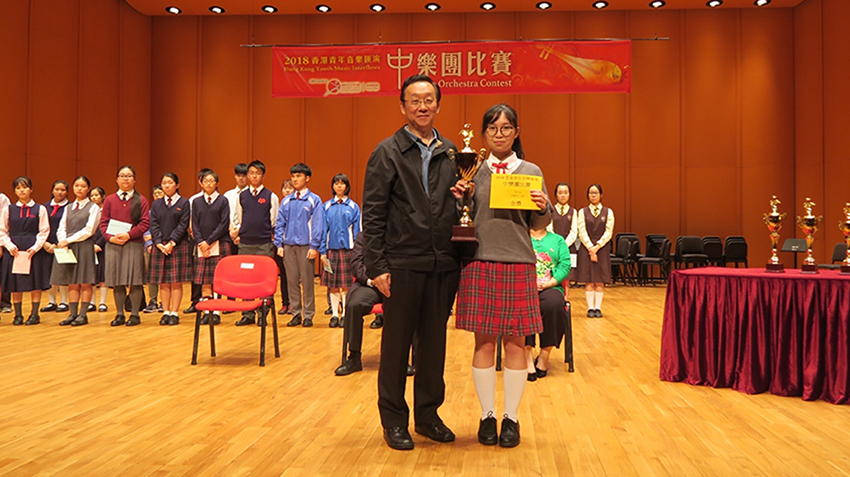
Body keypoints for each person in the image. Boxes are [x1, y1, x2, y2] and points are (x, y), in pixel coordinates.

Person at [362, 74, 460, 451]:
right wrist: (376, 266)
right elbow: (373, 212)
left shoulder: (451, 152)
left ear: (438, 104)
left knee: (434, 346)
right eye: (415, 100)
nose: (422, 106)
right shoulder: (386, 152)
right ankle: (393, 420)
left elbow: (454, 207)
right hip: (401, 262)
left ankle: (428, 416)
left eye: (429, 99)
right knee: (396, 346)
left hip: (441, 262)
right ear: (402, 106)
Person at [451, 103, 550, 448]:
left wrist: (543, 206)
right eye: (493, 128)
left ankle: (511, 418)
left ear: (516, 132)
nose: (499, 134)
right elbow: (461, 216)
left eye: (506, 128)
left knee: (515, 344)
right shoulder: (472, 170)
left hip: (519, 261)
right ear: (483, 134)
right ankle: (487, 415)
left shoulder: (531, 170)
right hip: (479, 260)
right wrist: (459, 198)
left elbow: (539, 223)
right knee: (483, 343)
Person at [99, 165, 150, 327]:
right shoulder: (109, 200)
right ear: (117, 180)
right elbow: (103, 223)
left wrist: (129, 234)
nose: (125, 179)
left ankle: (134, 314)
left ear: (134, 180)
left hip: (133, 244)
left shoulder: (141, 200)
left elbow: (145, 223)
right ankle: (119, 313)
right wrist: (110, 238)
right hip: (114, 245)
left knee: (135, 280)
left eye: (129, 176)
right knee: (117, 280)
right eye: (122, 176)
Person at [275, 163, 323, 328]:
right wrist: (279, 244)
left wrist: (314, 246)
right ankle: (295, 313)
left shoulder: (314, 200)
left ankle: (308, 314)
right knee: (291, 281)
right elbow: (280, 223)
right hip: (288, 246)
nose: (295, 179)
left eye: (299, 176)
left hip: (306, 246)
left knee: (308, 282)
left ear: (307, 178)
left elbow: (317, 224)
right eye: (293, 176)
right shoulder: (286, 201)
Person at [233, 160, 279, 326]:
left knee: (263, 279)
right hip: (246, 243)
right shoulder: (242, 196)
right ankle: (248, 314)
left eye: (258, 173)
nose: (254, 176)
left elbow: (273, 220)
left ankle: (263, 313)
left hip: (263, 244)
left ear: (263, 176)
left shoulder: (271, 196)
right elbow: (240, 218)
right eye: (251, 173)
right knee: (246, 279)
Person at [0, 177, 51, 325]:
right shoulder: (8, 209)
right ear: (15, 191)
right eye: (18, 188)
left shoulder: (40, 209)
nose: (21, 190)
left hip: (33, 249)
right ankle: (18, 315)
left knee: (36, 282)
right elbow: (2, 230)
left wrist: (35, 247)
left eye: (24, 187)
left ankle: (34, 314)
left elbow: (44, 230)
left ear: (31, 189)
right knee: (15, 283)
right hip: (14, 249)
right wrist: (9, 245)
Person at [53, 176, 100, 326]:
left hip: (84, 246)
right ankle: (73, 314)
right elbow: (61, 227)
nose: (79, 188)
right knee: (72, 281)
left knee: (85, 281)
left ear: (88, 189)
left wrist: (69, 240)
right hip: (69, 247)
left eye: (83, 186)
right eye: (76, 185)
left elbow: (89, 230)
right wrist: (62, 241)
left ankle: (83, 314)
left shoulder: (93, 207)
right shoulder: (68, 207)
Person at [525, 223, 571, 380]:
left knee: (554, 305)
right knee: (524, 305)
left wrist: (551, 282)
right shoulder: (520, 237)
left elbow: (565, 264)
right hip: (524, 286)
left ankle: (545, 354)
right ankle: (527, 354)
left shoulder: (558, 240)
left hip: (551, 286)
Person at [149, 173, 192, 326]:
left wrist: (172, 242)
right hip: (160, 246)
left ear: (177, 185)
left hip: (177, 245)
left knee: (176, 281)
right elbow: (154, 224)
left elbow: (183, 225)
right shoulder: (156, 204)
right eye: (164, 183)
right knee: (163, 282)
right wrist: (158, 242)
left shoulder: (184, 202)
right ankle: (165, 312)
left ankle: (174, 312)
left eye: (170, 182)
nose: (166, 185)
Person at [191, 170, 232, 325]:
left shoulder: (223, 201)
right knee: (205, 280)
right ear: (201, 183)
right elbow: (195, 224)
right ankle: (207, 311)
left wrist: (209, 241)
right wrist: (201, 242)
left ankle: (216, 312)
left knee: (217, 280)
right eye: (205, 181)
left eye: (211, 181)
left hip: (219, 243)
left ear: (217, 183)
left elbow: (224, 224)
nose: (208, 184)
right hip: (202, 245)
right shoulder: (196, 202)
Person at [320, 173, 360, 328]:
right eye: (336, 183)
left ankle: (345, 315)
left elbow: (357, 231)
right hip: (331, 251)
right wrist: (322, 251)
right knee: (334, 285)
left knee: (347, 285)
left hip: (348, 250)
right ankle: (335, 315)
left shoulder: (353, 207)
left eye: (342, 183)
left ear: (347, 186)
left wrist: (357, 251)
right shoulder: (326, 206)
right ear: (333, 186)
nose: (339, 186)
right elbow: (323, 230)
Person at [577, 183, 614, 318]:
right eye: (591, 193)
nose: (593, 195)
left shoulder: (608, 212)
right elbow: (581, 231)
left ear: (601, 195)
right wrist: (590, 248)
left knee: (599, 279)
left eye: (596, 193)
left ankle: (598, 308)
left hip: (602, 249)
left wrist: (597, 246)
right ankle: (590, 308)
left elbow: (608, 232)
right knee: (588, 279)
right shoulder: (582, 212)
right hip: (586, 248)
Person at [40, 179, 70, 314]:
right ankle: (51, 301)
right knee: (49, 273)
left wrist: (60, 243)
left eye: (63, 190)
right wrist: (45, 243)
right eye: (57, 189)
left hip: (63, 244)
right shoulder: (45, 207)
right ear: (52, 191)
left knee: (62, 273)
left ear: (67, 192)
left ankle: (64, 301)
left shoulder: (70, 207)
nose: (59, 192)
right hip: (46, 245)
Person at [549, 182, 578, 286]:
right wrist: (557, 244)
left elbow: (574, 231)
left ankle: (566, 296)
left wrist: (564, 245)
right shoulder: (550, 210)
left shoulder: (573, 211)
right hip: (553, 247)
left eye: (565, 193)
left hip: (569, 247)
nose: (563, 195)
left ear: (569, 194)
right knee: (553, 274)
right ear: (555, 194)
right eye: (560, 193)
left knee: (568, 277)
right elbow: (549, 229)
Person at [142, 185, 164, 314]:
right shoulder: (149, 213)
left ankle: (164, 301)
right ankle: (153, 300)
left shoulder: (169, 210)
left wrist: (155, 238)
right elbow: (146, 230)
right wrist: (149, 244)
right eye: (155, 194)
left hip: (165, 245)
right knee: (151, 275)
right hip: (151, 247)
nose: (157, 196)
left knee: (165, 276)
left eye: (160, 193)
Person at [275, 179, 294, 315]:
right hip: (281, 244)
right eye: (285, 187)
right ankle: (285, 303)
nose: (287, 190)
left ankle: (294, 303)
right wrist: (278, 244)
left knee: (293, 277)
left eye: (290, 187)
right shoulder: (280, 205)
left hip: (293, 244)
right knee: (283, 275)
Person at [89, 186, 109, 312]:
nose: (94, 198)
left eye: (96, 195)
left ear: (102, 196)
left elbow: (108, 229)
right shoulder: (88, 211)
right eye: (91, 195)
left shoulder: (107, 211)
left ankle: (102, 302)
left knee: (103, 276)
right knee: (91, 276)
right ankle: (91, 303)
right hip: (89, 246)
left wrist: (99, 244)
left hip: (104, 247)